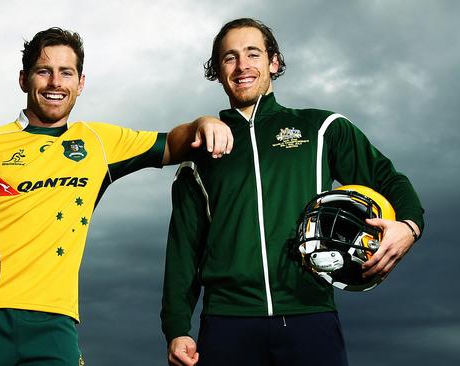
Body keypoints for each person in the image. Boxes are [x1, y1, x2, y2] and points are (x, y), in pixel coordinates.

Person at [0, 27, 233, 366]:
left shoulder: (98, 142)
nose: (55, 82)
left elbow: (172, 143)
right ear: (24, 79)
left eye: (66, 72)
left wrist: (203, 121)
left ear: (80, 83)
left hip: (54, 323)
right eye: (44, 71)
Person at [161, 18, 424, 366]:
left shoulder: (322, 128)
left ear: (274, 62)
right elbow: (183, 250)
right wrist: (177, 327)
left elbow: (388, 180)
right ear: (217, 70)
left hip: (310, 313)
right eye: (229, 57)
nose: (242, 66)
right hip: (228, 321)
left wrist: (409, 226)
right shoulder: (199, 153)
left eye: (253, 54)